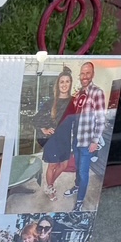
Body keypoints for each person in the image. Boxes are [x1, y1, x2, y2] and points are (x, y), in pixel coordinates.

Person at [66, 61, 107, 212]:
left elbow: (101, 119)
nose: (84, 76)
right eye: (82, 73)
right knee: (77, 167)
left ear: (92, 74)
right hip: (76, 139)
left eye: (87, 73)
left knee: (84, 172)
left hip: (87, 142)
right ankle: (77, 186)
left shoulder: (97, 93)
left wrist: (95, 141)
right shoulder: (79, 94)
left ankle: (80, 201)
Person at [36, 66, 77, 200]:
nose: (64, 84)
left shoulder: (73, 101)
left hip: (65, 139)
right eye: (62, 81)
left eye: (67, 81)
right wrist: (44, 129)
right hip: (53, 140)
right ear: (58, 84)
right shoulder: (50, 102)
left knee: (64, 165)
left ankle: (49, 184)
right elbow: (37, 118)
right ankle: (49, 187)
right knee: (52, 165)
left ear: (70, 84)